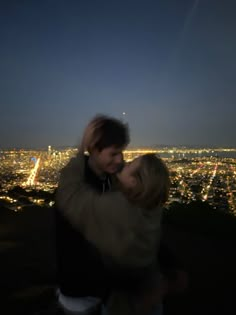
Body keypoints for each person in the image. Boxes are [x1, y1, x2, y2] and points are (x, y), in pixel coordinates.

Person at [56, 117, 171, 315]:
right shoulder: (90, 186)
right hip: (83, 294)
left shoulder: (117, 188)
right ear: (94, 149)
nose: (120, 160)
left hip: (111, 294)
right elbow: (73, 250)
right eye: (114, 153)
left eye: (122, 153)